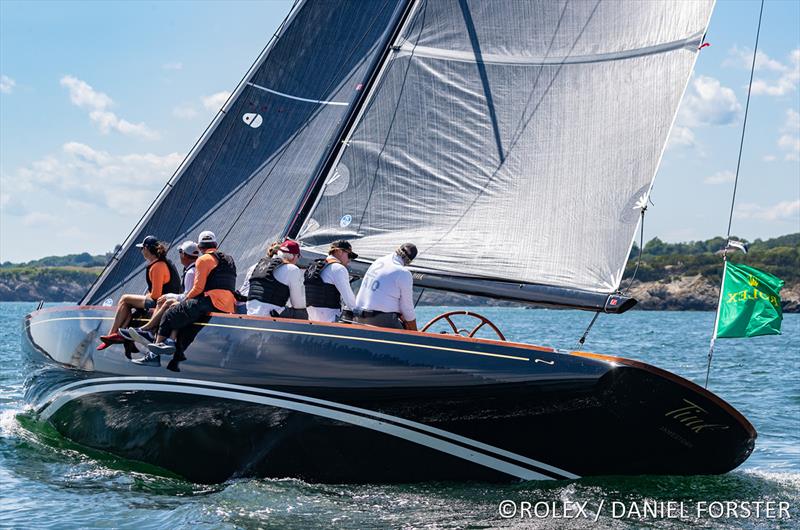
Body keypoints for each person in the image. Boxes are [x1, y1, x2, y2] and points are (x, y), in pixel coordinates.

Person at [136, 230, 237, 364]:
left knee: (170, 312)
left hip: (212, 301)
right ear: (216, 245)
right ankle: (168, 342)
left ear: (200, 247)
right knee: (178, 310)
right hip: (229, 305)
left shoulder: (203, 259)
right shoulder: (229, 259)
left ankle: (154, 354)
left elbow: (198, 289)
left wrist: (183, 300)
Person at [98, 235, 181, 350]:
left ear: (146, 249)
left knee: (125, 299)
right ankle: (118, 333)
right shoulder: (161, 263)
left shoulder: (157, 266)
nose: (141, 251)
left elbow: (156, 295)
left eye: (142, 248)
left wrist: (146, 296)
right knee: (128, 303)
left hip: (160, 302)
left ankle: (112, 334)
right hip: (165, 299)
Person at [120, 240, 200, 346]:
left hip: (190, 305)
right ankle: (148, 332)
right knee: (165, 302)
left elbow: (187, 295)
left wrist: (168, 296)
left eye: (180, 252)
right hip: (193, 304)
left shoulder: (190, 272)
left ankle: (148, 332)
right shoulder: (194, 269)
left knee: (162, 302)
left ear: (184, 254)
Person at [353, 243, 417, 330]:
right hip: (381, 321)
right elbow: (407, 308)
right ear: (409, 261)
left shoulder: (378, 261)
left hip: (358, 317)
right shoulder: (403, 273)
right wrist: (416, 332)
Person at [241, 239, 307, 319]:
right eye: (298, 256)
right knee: (307, 313)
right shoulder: (292, 269)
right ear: (293, 256)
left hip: (251, 312)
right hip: (271, 314)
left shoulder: (256, 266)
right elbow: (297, 304)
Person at [305, 240, 358, 323]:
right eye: (349, 255)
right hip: (331, 323)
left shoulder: (313, 267)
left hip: (311, 321)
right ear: (339, 252)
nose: (350, 260)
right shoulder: (338, 268)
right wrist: (361, 313)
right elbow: (350, 301)